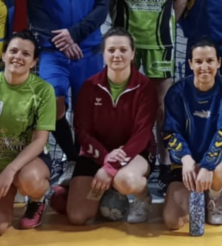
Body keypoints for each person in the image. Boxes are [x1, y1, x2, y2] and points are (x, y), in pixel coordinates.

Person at [107, 0, 190, 182]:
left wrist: (166, 25)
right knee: (123, 101)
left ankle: (166, 161)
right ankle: (129, 156)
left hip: (159, 41)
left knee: (162, 103)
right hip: (125, 42)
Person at [28, 0, 110, 165]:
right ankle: (72, 159)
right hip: (53, 53)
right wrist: (62, 41)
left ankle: (83, 162)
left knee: (89, 113)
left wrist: (73, 34)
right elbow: (36, 12)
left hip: (89, 52)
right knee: (53, 105)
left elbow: (102, 7)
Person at [65, 28, 158, 225]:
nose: (117, 55)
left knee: (126, 181)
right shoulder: (89, 87)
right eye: (111, 50)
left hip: (135, 152)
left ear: (133, 54)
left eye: (123, 50)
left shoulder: (145, 87)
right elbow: (82, 131)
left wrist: (110, 168)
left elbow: (142, 135)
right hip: (97, 152)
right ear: (103, 54)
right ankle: (107, 192)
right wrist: (105, 157)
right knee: (77, 216)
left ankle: (142, 197)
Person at [0, 30, 56, 235]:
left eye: (26, 54)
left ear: (33, 62)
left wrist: (11, 170)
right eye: (13, 51)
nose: (18, 57)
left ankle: (37, 200)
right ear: (4, 55)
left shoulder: (44, 91)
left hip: (27, 164)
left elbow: (40, 140)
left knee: (31, 180)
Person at [161, 38, 222, 230]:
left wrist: (206, 165)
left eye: (210, 61)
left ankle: (214, 197)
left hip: (218, 162)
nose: (204, 67)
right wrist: (186, 159)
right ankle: (196, 194)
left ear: (218, 62)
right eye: (198, 61)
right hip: (186, 163)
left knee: (218, 171)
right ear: (190, 64)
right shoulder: (177, 92)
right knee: (173, 222)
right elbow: (170, 132)